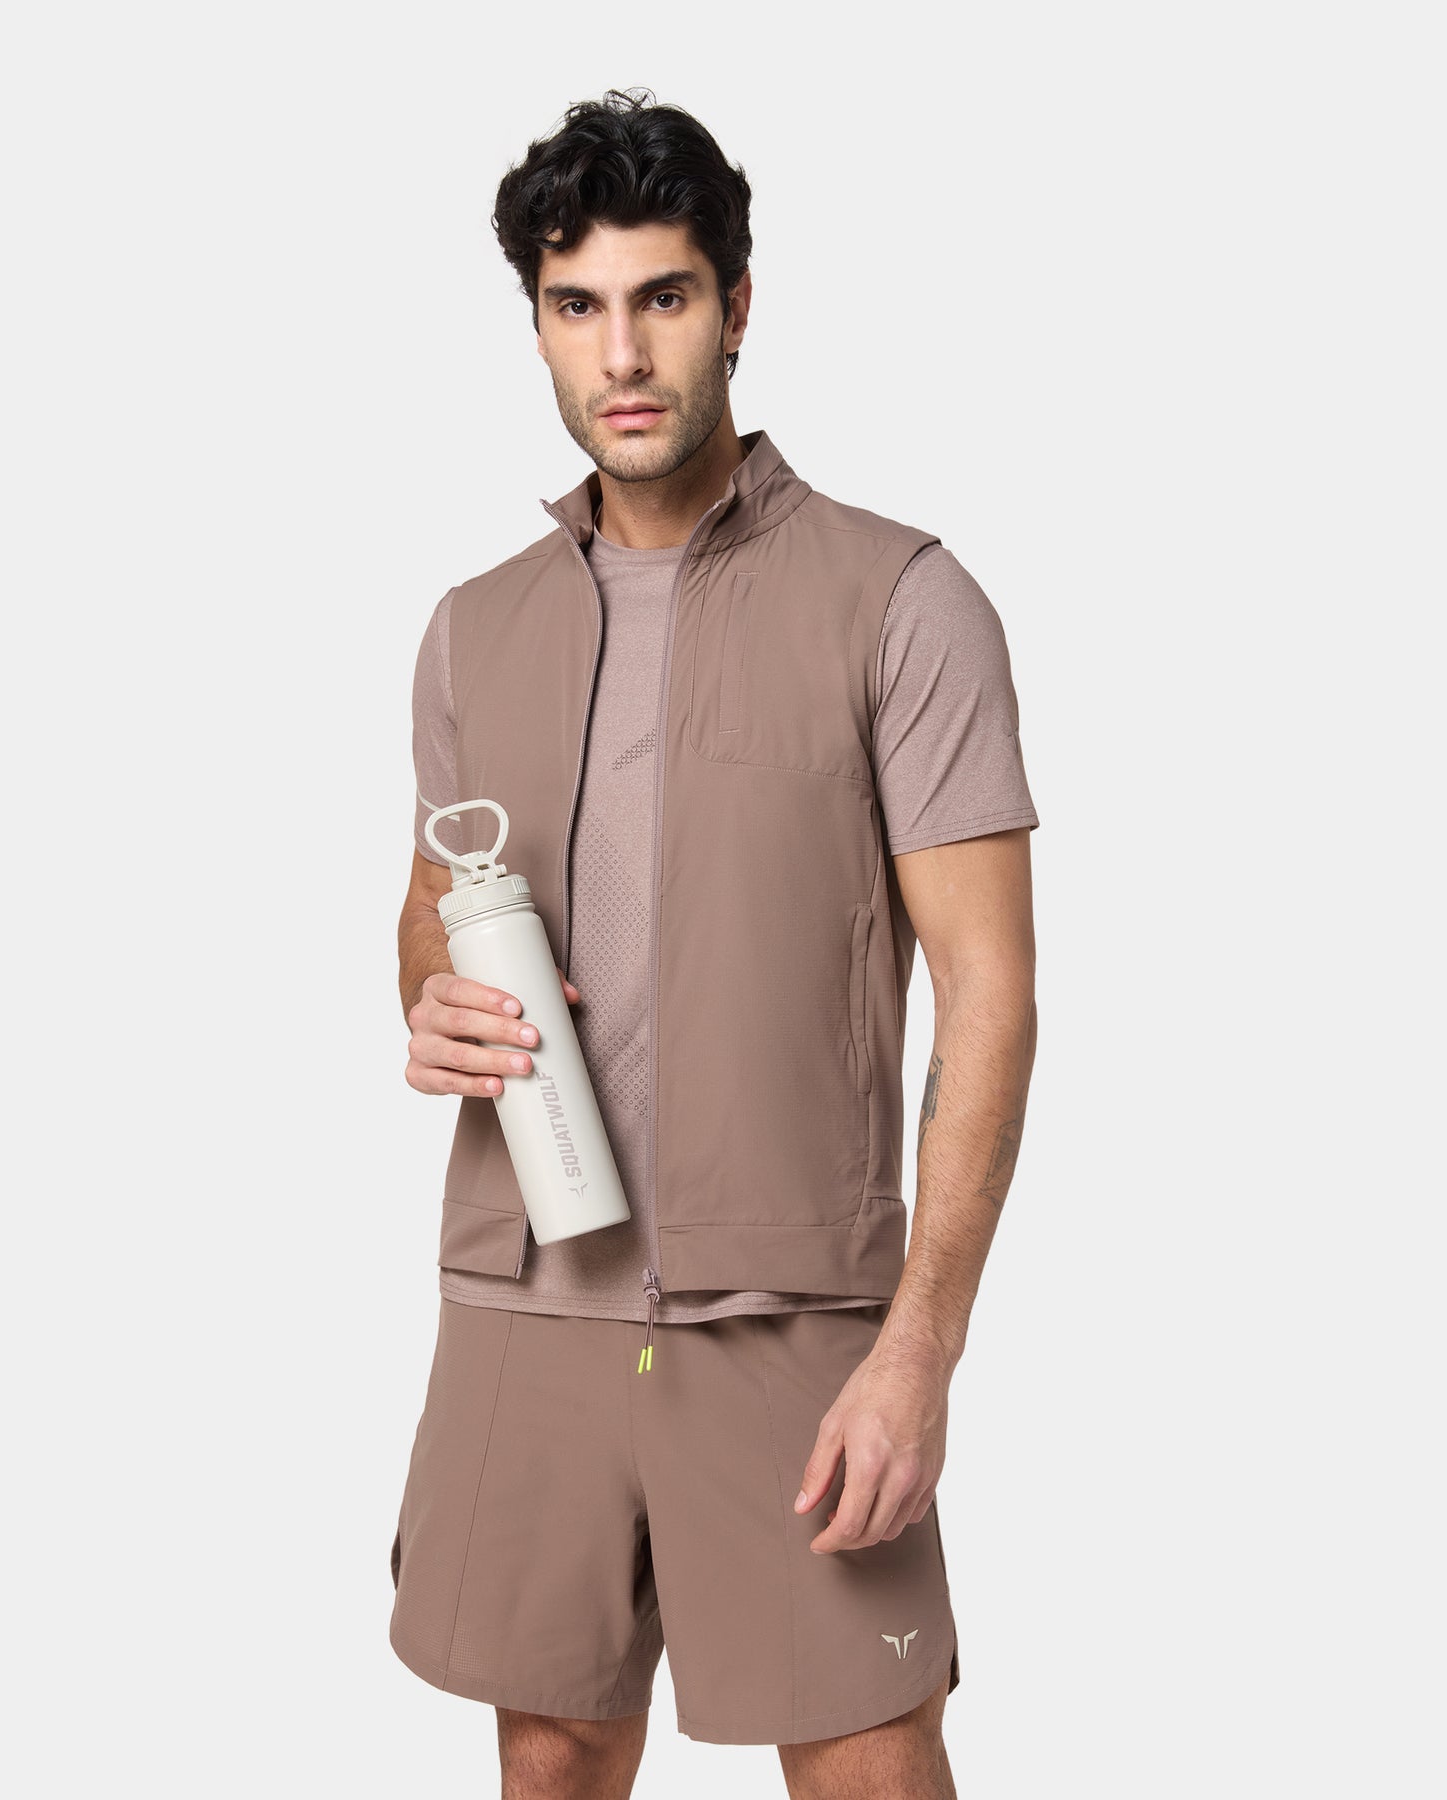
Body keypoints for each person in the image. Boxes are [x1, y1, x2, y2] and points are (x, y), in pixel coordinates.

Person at [389, 87, 1038, 1799]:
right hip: (530, 1296)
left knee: (871, 1764)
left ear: (736, 305)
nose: (622, 354)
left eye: (663, 297)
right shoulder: (471, 630)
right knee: (549, 1754)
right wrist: (430, 998)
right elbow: (432, 905)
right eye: (577, 305)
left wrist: (921, 1351)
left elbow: (990, 994)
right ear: (537, 320)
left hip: (797, 1318)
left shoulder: (902, 601)